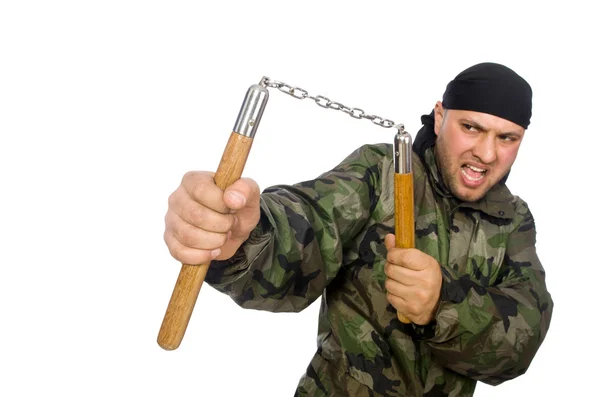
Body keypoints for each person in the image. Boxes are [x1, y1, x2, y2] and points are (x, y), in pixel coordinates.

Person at [163, 62, 553, 397]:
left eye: (507, 138)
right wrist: (247, 234)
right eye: (471, 127)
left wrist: (442, 303)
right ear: (440, 117)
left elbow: (522, 341)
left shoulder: (514, 219)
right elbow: (310, 223)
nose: (486, 154)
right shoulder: (381, 173)